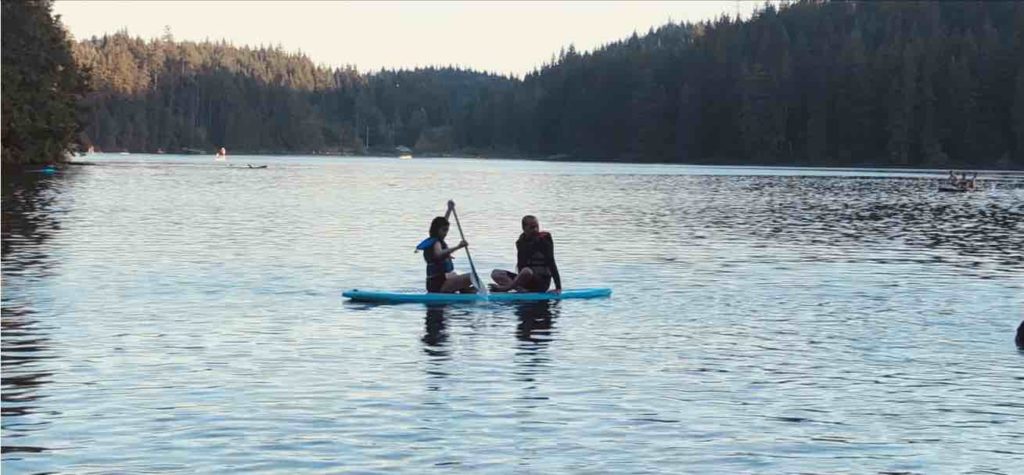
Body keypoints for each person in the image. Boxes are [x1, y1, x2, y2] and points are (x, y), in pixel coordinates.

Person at [490, 215, 562, 293]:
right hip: (525, 280)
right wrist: (520, 280)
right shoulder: (520, 242)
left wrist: (558, 287)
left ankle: (505, 288)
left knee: (526, 271)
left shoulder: (545, 240)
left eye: (537, 227)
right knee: (496, 273)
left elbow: (552, 262)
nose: (535, 230)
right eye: (532, 227)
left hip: (541, 283)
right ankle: (521, 290)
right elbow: (521, 265)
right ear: (524, 228)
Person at [416, 203, 475, 293]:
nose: (446, 233)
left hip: (438, 282)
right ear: (437, 229)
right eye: (444, 230)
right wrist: (458, 247)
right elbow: (438, 254)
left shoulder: (436, 239)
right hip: (438, 285)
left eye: (447, 230)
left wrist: (449, 210)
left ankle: (465, 291)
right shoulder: (435, 242)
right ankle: (462, 291)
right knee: (472, 277)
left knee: (457, 277)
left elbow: (443, 222)